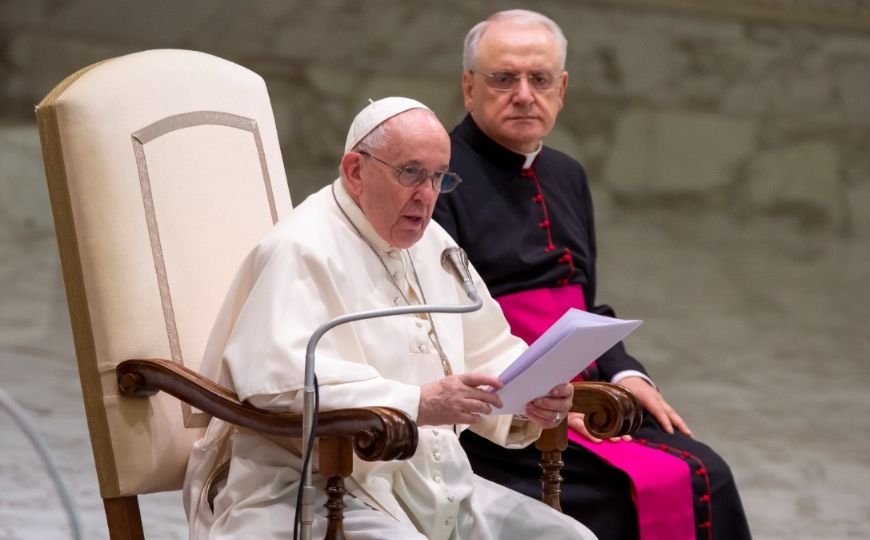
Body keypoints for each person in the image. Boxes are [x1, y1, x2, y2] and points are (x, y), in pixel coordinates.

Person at [182, 97, 596, 539]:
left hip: (429, 482)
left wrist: (528, 396)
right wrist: (417, 403)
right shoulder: (301, 248)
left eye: (439, 177)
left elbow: (488, 346)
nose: (427, 195)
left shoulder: (432, 242)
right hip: (311, 487)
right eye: (411, 172)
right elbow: (278, 381)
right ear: (355, 171)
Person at [432, 10, 753, 540]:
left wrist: (627, 374)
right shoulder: (439, 177)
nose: (523, 94)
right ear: (469, 87)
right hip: (498, 414)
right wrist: (544, 396)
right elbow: (440, 328)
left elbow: (584, 304)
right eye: (503, 78)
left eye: (539, 79)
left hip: (588, 388)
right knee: (615, 499)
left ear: (562, 89)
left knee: (708, 475)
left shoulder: (566, 174)